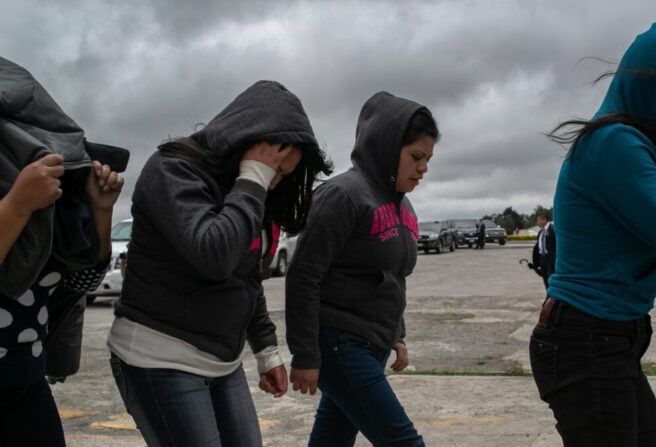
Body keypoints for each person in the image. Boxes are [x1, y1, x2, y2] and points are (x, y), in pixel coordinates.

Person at [530, 22, 656, 447]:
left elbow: (601, 261)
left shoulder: (627, 145)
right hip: (586, 344)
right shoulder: (614, 143)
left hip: (603, 342)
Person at [107, 81, 333, 446]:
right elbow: (214, 256)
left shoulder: (248, 190)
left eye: (283, 175)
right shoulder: (172, 170)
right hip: (159, 357)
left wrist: (265, 351)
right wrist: (254, 177)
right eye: (273, 169)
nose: (274, 183)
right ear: (245, 144)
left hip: (222, 362)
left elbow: (246, 278)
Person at [286, 91, 437, 447]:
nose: (424, 168)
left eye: (428, 159)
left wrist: (396, 334)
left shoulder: (405, 208)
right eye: (416, 157)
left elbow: (392, 277)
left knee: (332, 440)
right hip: (339, 341)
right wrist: (305, 353)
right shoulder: (342, 195)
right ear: (387, 147)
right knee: (403, 441)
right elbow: (304, 275)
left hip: (374, 343)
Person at [0, 156, 124, 446]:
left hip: (26, 382)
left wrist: (100, 211)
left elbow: (82, 282)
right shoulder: (26, 193)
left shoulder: (52, 198)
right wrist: (17, 204)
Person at [531, 210, 556, 289]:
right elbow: (538, 247)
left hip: (551, 260)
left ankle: (553, 298)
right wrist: (536, 263)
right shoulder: (541, 232)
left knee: (550, 280)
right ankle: (548, 296)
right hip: (543, 259)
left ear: (544, 220)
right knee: (545, 280)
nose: (537, 223)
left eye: (538, 220)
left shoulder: (552, 230)